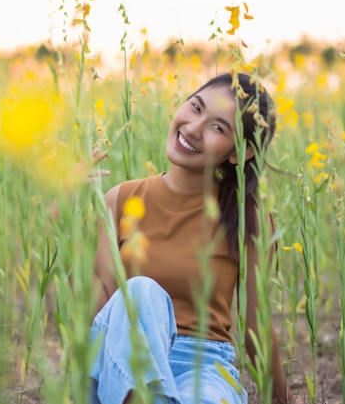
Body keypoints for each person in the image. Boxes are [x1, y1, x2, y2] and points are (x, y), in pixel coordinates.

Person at [89, 72, 295, 404]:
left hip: (203, 366)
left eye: (218, 128)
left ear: (237, 153)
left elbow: (256, 329)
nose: (195, 128)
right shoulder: (119, 200)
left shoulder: (248, 219)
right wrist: (61, 208)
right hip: (121, 362)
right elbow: (97, 311)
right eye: (196, 107)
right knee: (141, 291)